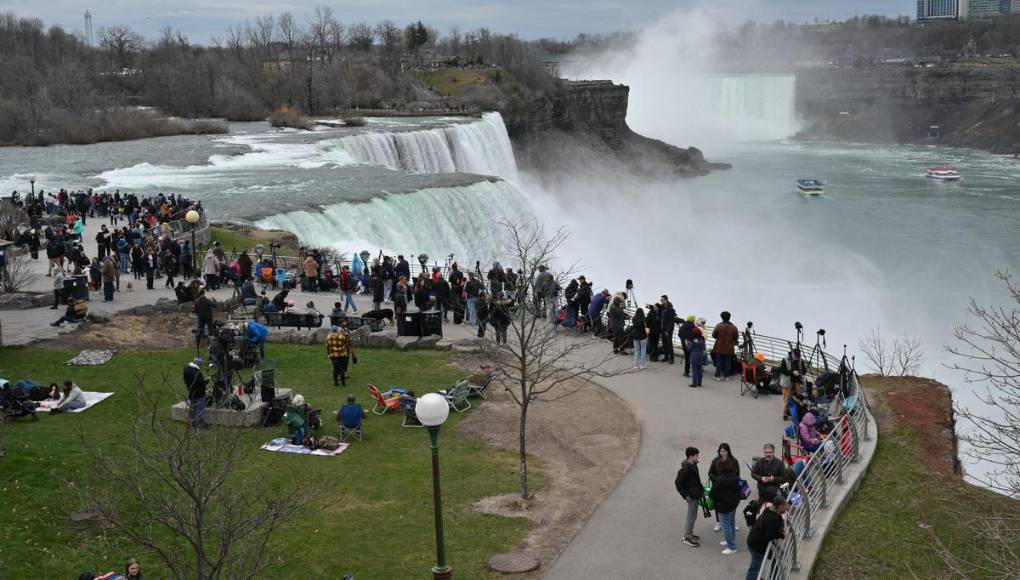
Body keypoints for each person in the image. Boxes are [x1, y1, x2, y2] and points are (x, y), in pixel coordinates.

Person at [708, 442, 742, 555]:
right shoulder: (734, 477)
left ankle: (732, 546)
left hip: (724, 506)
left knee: (726, 526)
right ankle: (730, 541)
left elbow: (712, 495)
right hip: (733, 504)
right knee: (731, 523)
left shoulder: (719, 481)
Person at [746, 496, 788, 580]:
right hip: (757, 546)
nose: (787, 507)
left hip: (756, 542)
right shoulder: (772, 518)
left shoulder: (770, 510)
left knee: (778, 555)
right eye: (785, 505)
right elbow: (769, 535)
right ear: (779, 506)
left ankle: (770, 577)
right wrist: (781, 535)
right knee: (755, 567)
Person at [674, 446, 704, 548]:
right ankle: (687, 537)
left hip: (695, 493)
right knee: (691, 516)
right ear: (691, 457)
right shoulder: (686, 469)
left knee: (693, 515)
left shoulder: (693, 464)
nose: (698, 457)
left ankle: (689, 533)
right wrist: (685, 495)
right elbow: (678, 483)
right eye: (696, 455)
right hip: (691, 496)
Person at [779, 348, 808, 420]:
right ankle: (784, 414)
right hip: (787, 381)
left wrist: (802, 373)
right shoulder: (785, 360)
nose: (797, 357)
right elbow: (782, 370)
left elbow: (804, 370)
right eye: (796, 355)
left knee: (799, 397)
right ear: (792, 353)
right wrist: (792, 372)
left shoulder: (800, 360)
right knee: (786, 399)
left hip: (797, 381)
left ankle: (799, 413)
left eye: (798, 356)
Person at [712, 311, 739, 381]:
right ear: (729, 318)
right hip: (729, 348)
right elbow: (736, 337)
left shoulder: (719, 325)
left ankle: (718, 376)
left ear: (722, 317)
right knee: (728, 363)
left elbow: (714, 335)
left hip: (719, 347)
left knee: (719, 362)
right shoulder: (733, 327)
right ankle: (727, 376)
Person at [183, 357, 208, 428]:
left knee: (192, 410)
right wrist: (207, 380)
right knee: (200, 410)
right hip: (199, 394)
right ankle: (200, 425)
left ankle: (191, 423)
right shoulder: (198, 373)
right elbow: (201, 383)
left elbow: (186, 381)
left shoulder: (186, 369)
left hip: (191, 393)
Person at [659, 295, 677, 364]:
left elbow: (671, 321)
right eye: (660, 300)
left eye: (662, 300)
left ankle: (671, 358)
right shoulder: (663, 307)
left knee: (669, 343)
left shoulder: (670, 309)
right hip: (662, 329)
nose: (661, 301)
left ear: (666, 300)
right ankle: (666, 356)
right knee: (664, 343)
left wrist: (668, 330)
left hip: (668, 330)